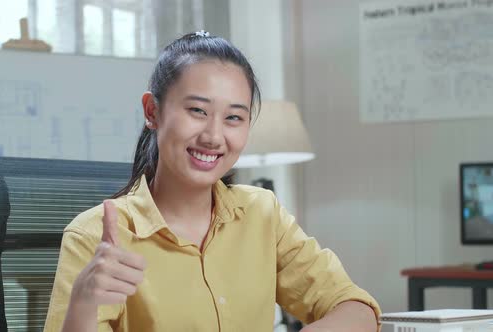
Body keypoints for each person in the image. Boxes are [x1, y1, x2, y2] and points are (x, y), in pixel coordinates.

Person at [44, 31, 381, 332]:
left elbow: (355, 308)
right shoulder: (93, 236)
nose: (214, 136)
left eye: (234, 117)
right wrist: (83, 306)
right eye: (197, 111)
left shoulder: (263, 213)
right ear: (152, 111)